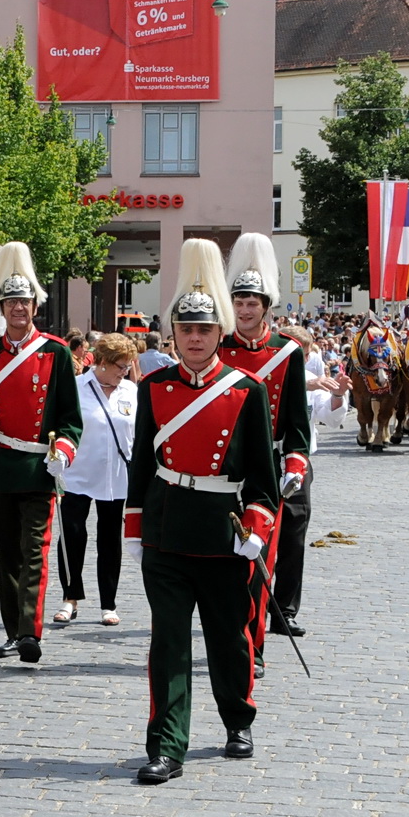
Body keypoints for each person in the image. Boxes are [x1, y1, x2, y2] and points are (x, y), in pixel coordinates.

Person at [125, 239, 279, 782]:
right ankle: (167, 745)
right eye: (185, 330)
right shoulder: (154, 387)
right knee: (167, 643)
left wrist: (258, 528)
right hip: (167, 533)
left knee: (228, 636)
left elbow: (264, 477)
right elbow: (141, 463)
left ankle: (238, 718)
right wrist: (135, 528)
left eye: (204, 330)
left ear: (219, 335)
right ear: (174, 335)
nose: (194, 338)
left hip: (223, 531)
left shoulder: (246, 391)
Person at [0, 241, 82, 664]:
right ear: (3, 306)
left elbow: (70, 415)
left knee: (34, 551)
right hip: (0, 466)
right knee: (6, 555)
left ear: (35, 304)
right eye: (11, 302)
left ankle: (31, 632)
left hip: (37, 466)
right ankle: (13, 629)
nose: (18, 308)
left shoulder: (55, 352)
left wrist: (64, 449)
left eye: (24, 301)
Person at [220, 233, 312, 662]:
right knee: (226, 560)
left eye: (252, 303)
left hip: (270, 465)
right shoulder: (218, 348)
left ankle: (251, 647)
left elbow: (296, 421)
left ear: (266, 306)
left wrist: (295, 462)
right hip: (223, 467)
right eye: (238, 302)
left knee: (261, 557)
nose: (244, 309)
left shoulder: (287, 353)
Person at [53, 333, 136, 627]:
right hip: (77, 474)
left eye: (127, 367)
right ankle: (70, 597)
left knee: (110, 540)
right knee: (73, 536)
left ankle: (108, 603)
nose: (123, 372)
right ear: (102, 362)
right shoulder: (76, 388)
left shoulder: (130, 392)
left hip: (115, 478)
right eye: (120, 367)